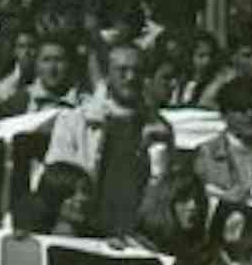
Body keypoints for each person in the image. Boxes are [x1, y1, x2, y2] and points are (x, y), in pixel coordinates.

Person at [45, 42, 171, 238]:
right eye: (122, 70)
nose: (131, 78)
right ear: (107, 75)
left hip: (136, 239)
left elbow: (165, 190)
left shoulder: (160, 129)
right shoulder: (75, 122)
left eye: (137, 71)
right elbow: (56, 184)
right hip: (86, 236)